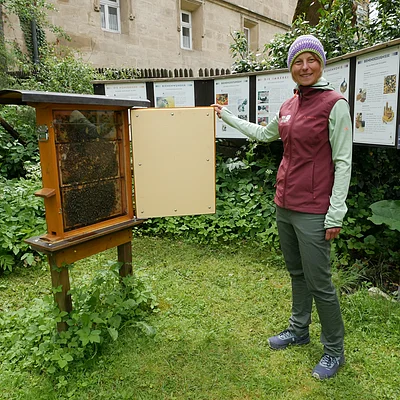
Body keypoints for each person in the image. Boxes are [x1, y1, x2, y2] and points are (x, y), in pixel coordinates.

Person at [212, 34, 352, 380]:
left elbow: (344, 161)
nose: (305, 67)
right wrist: (226, 116)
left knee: (320, 283)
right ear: (291, 67)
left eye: (311, 60)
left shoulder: (335, 103)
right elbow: (263, 135)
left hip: (315, 209)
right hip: (284, 204)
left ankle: (334, 351)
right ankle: (298, 330)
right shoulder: (289, 106)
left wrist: (335, 213)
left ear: (321, 64)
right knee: (296, 274)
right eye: (298, 62)